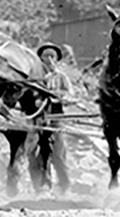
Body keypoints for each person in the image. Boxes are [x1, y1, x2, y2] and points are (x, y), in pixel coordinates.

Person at [36, 42, 72, 195]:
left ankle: (65, 186)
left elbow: (70, 95)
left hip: (56, 115)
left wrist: (57, 95)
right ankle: (44, 185)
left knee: (58, 152)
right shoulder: (35, 76)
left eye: (52, 56)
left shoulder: (61, 77)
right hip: (39, 116)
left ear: (56, 59)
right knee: (42, 152)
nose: (48, 59)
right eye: (45, 56)